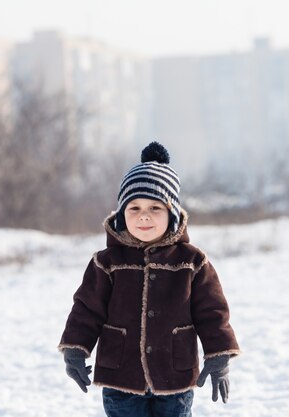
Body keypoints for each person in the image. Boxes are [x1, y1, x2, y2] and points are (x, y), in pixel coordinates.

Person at [58, 142, 240, 417]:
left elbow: (212, 313)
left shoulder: (192, 262)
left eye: (156, 207)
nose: (144, 215)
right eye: (134, 208)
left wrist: (219, 355)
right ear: (121, 215)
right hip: (121, 376)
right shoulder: (107, 263)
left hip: (174, 375)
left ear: (173, 214)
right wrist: (75, 348)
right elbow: (86, 309)